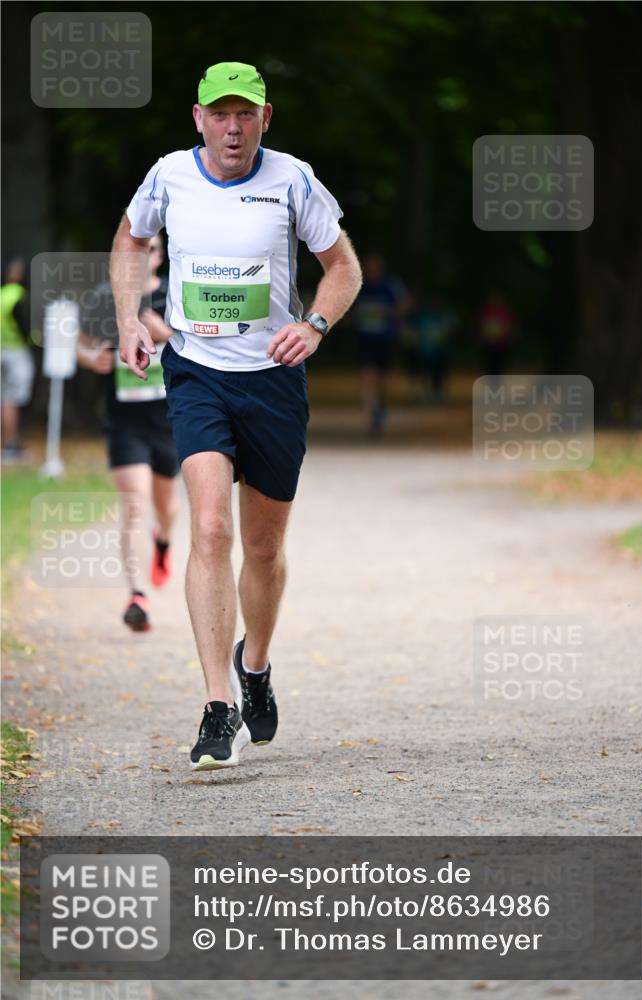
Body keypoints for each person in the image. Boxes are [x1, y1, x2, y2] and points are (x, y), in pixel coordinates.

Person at [111, 62, 362, 770]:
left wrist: (314, 325)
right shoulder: (168, 176)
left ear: (264, 118)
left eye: (244, 114)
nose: (231, 127)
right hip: (196, 373)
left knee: (263, 548)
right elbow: (130, 238)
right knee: (211, 528)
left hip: (274, 381)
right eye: (219, 114)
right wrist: (129, 317)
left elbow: (343, 267)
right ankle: (218, 705)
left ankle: (255, 664)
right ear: (198, 119)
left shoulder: (293, 180)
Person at [77, 234, 179, 631]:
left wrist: (166, 333)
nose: (141, 256)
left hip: (169, 417)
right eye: (135, 249)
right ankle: (137, 596)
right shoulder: (107, 298)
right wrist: (92, 360)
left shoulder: (176, 292)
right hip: (124, 419)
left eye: (150, 249)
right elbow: (80, 345)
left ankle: (163, 542)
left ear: (160, 256)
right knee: (134, 504)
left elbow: (207, 346)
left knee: (167, 508)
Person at [354, 254, 410, 435]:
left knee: (382, 379)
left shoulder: (390, 285)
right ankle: (370, 415)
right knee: (367, 376)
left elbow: (405, 303)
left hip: (384, 339)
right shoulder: (360, 285)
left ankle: (380, 407)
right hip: (366, 339)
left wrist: (392, 314)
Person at [1, 258, 35, 463]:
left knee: (4, 398)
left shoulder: (2, 294)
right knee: (11, 399)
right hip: (15, 352)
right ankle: (10, 444)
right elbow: (24, 325)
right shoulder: (17, 295)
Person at [477, 289, 518, 383]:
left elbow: (511, 327)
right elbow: (479, 326)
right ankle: (491, 385)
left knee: (500, 367)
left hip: (501, 345)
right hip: (488, 345)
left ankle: (497, 385)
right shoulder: (485, 312)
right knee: (489, 367)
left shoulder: (505, 312)